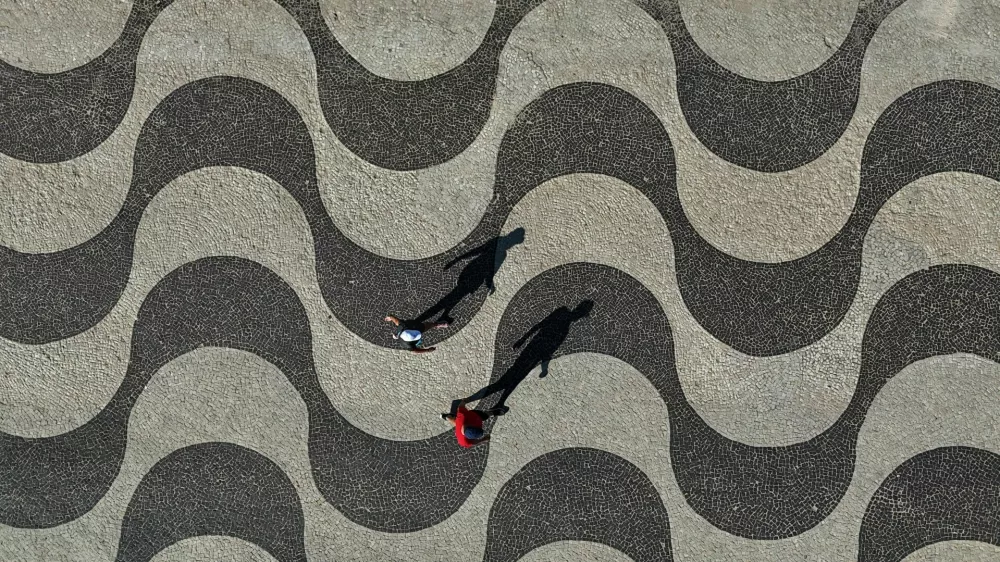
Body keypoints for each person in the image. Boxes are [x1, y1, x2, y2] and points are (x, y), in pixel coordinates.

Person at [441, 399, 505, 448]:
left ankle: (445, 416)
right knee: (484, 416)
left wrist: (464, 401)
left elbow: (460, 406)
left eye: (465, 426)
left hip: (472, 416)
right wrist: (483, 440)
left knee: (452, 420)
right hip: (474, 417)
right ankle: (492, 413)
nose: (464, 425)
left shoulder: (462, 417)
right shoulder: (464, 442)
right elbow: (474, 443)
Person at [384, 316, 449, 354]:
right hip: (411, 327)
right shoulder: (407, 345)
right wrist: (427, 350)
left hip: (413, 325)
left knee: (427, 325)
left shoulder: (403, 326)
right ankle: (436, 324)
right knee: (425, 326)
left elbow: (396, 321)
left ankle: (436, 324)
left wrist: (391, 317)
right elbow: (416, 350)